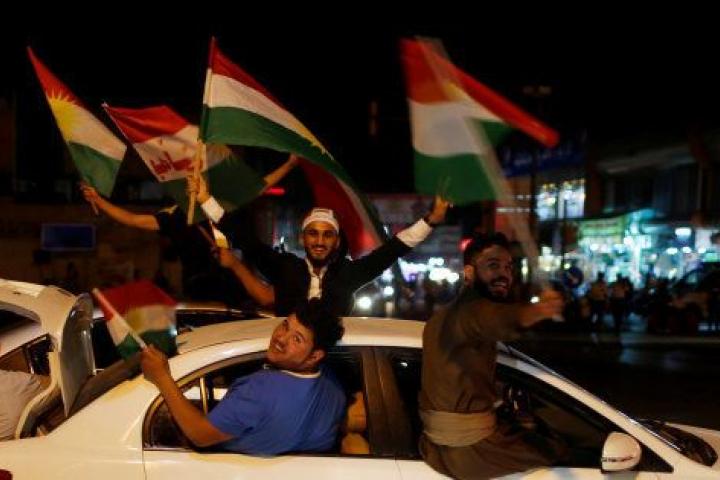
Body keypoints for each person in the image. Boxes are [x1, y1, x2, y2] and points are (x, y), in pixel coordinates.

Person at [193, 174, 450, 316]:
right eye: (313, 234)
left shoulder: (348, 274)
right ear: (302, 238)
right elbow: (245, 239)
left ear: (336, 242)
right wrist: (205, 199)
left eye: (327, 235)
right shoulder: (285, 267)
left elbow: (392, 250)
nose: (319, 241)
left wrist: (431, 220)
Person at [419, 232, 566, 479]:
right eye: (493, 266)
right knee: (563, 452)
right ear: (469, 273)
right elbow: (499, 319)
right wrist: (540, 310)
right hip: (469, 451)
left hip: (437, 447)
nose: (504, 274)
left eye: (508, 267)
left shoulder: (442, 316)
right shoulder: (471, 311)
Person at [80, 155, 296, 307]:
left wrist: (289, 165)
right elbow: (133, 219)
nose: (193, 179)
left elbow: (258, 187)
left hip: (236, 291)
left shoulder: (219, 204)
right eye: (188, 176)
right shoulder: (174, 214)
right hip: (199, 293)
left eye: (198, 174)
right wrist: (99, 200)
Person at [140, 299, 346, 454]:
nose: (281, 338)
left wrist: (161, 377)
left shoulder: (259, 390)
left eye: (297, 339)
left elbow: (200, 435)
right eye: (285, 325)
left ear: (314, 356)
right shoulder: (333, 386)